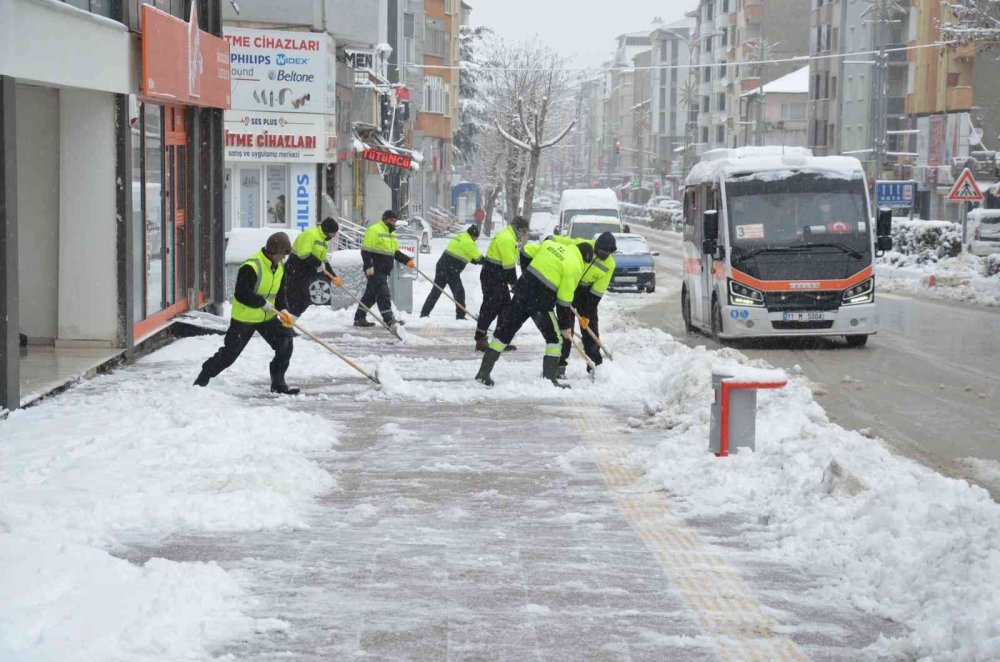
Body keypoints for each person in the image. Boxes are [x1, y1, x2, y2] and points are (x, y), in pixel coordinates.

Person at [474, 238, 595, 389]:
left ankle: (483, 373)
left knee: (504, 332)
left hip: (522, 291)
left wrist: (527, 273)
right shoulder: (575, 266)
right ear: (586, 260)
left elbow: (525, 251)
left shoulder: (551, 245)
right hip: (540, 303)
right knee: (555, 339)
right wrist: (565, 326)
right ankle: (549, 380)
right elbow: (564, 301)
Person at [194, 232, 300, 395]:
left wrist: (283, 308)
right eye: (282, 255)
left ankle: (278, 384)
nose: (284, 258)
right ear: (274, 252)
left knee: (285, 344)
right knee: (230, 354)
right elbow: (241, 294)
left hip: (267, 318)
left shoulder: (279, 267)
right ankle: (203, 378)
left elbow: (280, 293)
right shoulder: (251, 266)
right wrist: (261, 302)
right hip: (245, 318)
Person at [555, 232, 616, 378]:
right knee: (565, 329)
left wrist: (587, 315)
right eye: (602, 252)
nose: (604, 255)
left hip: (587, 294)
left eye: (607, 254)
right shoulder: (581, 244)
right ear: (596, 247)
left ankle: (595, 366)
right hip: (570, 286)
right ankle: (559, 365)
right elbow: (556, 240)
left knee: (590, 330)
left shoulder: (610, 265)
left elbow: (597, 293)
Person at [474, 215, 530, 351]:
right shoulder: (507, 239)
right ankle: (481, 338)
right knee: (491, 307)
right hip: (493, 276)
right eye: (523, 232)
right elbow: (509, 268)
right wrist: (516, 286)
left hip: (495, 275)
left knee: (505, 307)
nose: (524, 235)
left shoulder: (508, 235)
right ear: (518, 229)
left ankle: (499, 340)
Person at [354, 209, 414, 330]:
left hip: (384, 270)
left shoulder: (392, 233)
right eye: (391, 220)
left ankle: (359, 317)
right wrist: (368, 266)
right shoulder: (374, 230)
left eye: (395, 221)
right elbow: (366, 250)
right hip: (374, 269)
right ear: (385, 219)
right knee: (383, 294)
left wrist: (407, 260)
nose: (393, 222)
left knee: (370, 296)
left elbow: (395, 252)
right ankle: (388, 320)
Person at [420, 224, 482, 319]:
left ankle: (424, 314)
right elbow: (478, 259)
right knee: (459, 292)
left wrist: (475, 260)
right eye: (476, 238)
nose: (476, 240)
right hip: (451, 270)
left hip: (443, 266)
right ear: (473, 236)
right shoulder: (469, 242)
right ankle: (460, 316)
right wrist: (489, 262)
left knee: (436, 291)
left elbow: (469, 256)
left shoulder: (461, 236)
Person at [285, 217, 343, 317]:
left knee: (304, 301)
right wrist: (318, 263)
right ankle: (286, 325)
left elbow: (324, 261)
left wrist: (333, 277)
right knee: (299, 301)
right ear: (327, 230)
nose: (334, 235)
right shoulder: (310, 234)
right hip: (295, 270)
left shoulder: (324, 240)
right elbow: (304, 254)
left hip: (305, 273)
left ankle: (288, 324)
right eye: (333, 232)